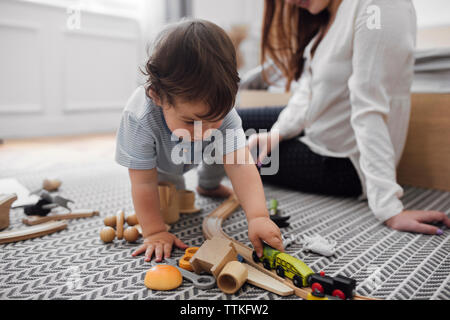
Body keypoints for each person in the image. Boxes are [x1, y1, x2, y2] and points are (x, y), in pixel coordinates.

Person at [238, 0, 450, 234]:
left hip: (341, 162)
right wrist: (279, 132)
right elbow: (307, 92)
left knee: (233, 150)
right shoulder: (332, 13)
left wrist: (388, 207)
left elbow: (369, 109)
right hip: (313, 129)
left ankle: (208, 181)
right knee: (226, 121)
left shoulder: (379, 6)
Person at [115, 19, 283, 262]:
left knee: (227, 152)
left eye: (213, 119)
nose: (203, 132)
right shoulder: (139, 119)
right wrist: (154, 231)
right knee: (169, 193)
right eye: (190, 121)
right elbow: (142, 183)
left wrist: (258, 216)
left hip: (207, 153)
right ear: (157, 96)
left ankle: (208, 183)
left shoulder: (223, 113)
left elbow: (240, 165)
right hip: (163, 161)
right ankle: (178, 186)